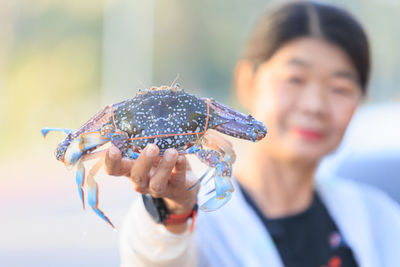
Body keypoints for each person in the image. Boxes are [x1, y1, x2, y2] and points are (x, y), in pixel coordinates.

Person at [105, 1, 400, 266]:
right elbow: (154, 256)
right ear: (247, 81)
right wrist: (173, 212)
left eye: (340, 88)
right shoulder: (199, 217)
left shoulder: (379, 218)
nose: (315, 106)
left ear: (361, 100)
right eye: (294, 79)